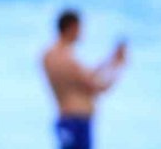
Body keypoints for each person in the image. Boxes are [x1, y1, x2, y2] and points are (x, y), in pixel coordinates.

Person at [40, 9, 127, 149]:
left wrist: (110, 60)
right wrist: (119, 66)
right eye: (80, 28)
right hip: (78, 122)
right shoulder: (67, 60)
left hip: (64, 119)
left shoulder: (48, 56)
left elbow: (82, 77)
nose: (81, 33)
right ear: (72, 27)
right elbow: (100, 87)